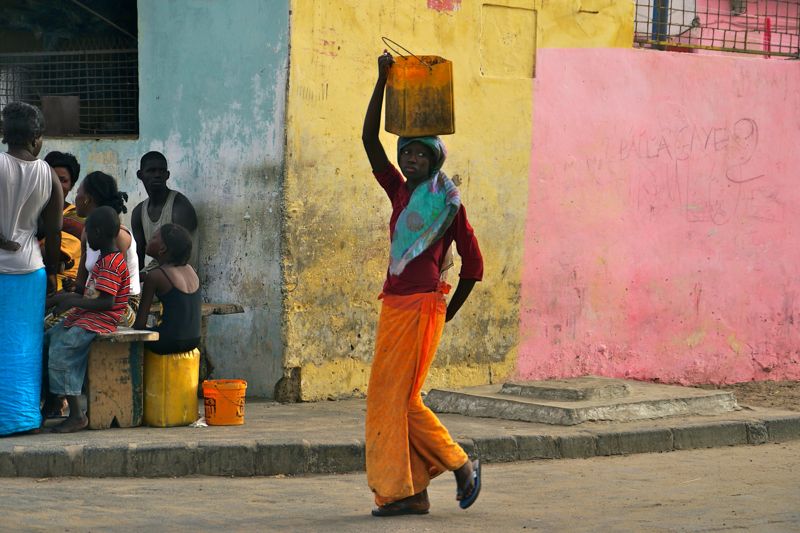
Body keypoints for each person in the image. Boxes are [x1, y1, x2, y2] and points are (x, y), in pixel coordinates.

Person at [361, 52, 484, 516]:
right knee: (384, 404)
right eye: (407, 151)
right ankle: (406, 493)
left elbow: (473, 267)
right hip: (394, 306)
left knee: (403, 401)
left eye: (421, 153)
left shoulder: (448, 205)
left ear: (436, 158)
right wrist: (380, 82)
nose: (411, 159)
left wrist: (444, 314)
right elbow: (369, 138)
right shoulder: (399, 191)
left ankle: (460, 462)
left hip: (422, 309)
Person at [0, 102, 63, 436]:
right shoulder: (48, 174)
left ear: (4, 134)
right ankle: (21, 418)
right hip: (30, 271)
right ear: (37, 138)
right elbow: (53, 232)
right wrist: (53, 271)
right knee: (24, 347)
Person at [45, 206, 130, 433]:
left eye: (88, 231)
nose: (85, 236)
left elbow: (106, 303)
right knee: (49, 337)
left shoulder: (111, 263)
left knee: (63, 349)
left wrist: (72, 302)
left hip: (101, 319)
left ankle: (76, 414)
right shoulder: (103, 260)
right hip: (89, 315)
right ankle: (50, 404)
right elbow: (89, 294)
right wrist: (60, 299)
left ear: (99, 233)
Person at [73, 171, 141, 325]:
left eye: (78, 193)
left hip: (122, 305)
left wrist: (75, 302)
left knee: (61, 321)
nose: (75, 198)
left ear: (87, 199)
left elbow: (113, 291)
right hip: (95, 297)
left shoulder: (118, 236)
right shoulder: (86, 232)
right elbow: (81, 284)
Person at [133, 223, 201, 355]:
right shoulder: (191, 270)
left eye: (153, 238)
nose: (148, 241)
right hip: (194, 340)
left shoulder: (156, 275)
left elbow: (139, 325)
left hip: (169, 341)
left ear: (162, 249)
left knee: (130, 335)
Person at [131, 151, 199, 273]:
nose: (157, 175)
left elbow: (178, 258)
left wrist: (147, 277)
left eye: (162, 171)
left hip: (180, 278)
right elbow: (138, 256)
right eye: (151, 171)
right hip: (157, 276)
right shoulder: (138, 212)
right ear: (140, 175)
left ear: (167, 175)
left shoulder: (180, 206)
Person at [41, 151, 83, 292]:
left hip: (62, 288)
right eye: (52, 179)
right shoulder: (33, 211)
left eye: (63, 180)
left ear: (71, 186)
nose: (56, 185)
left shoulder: (77, 218)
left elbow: (47, 253)